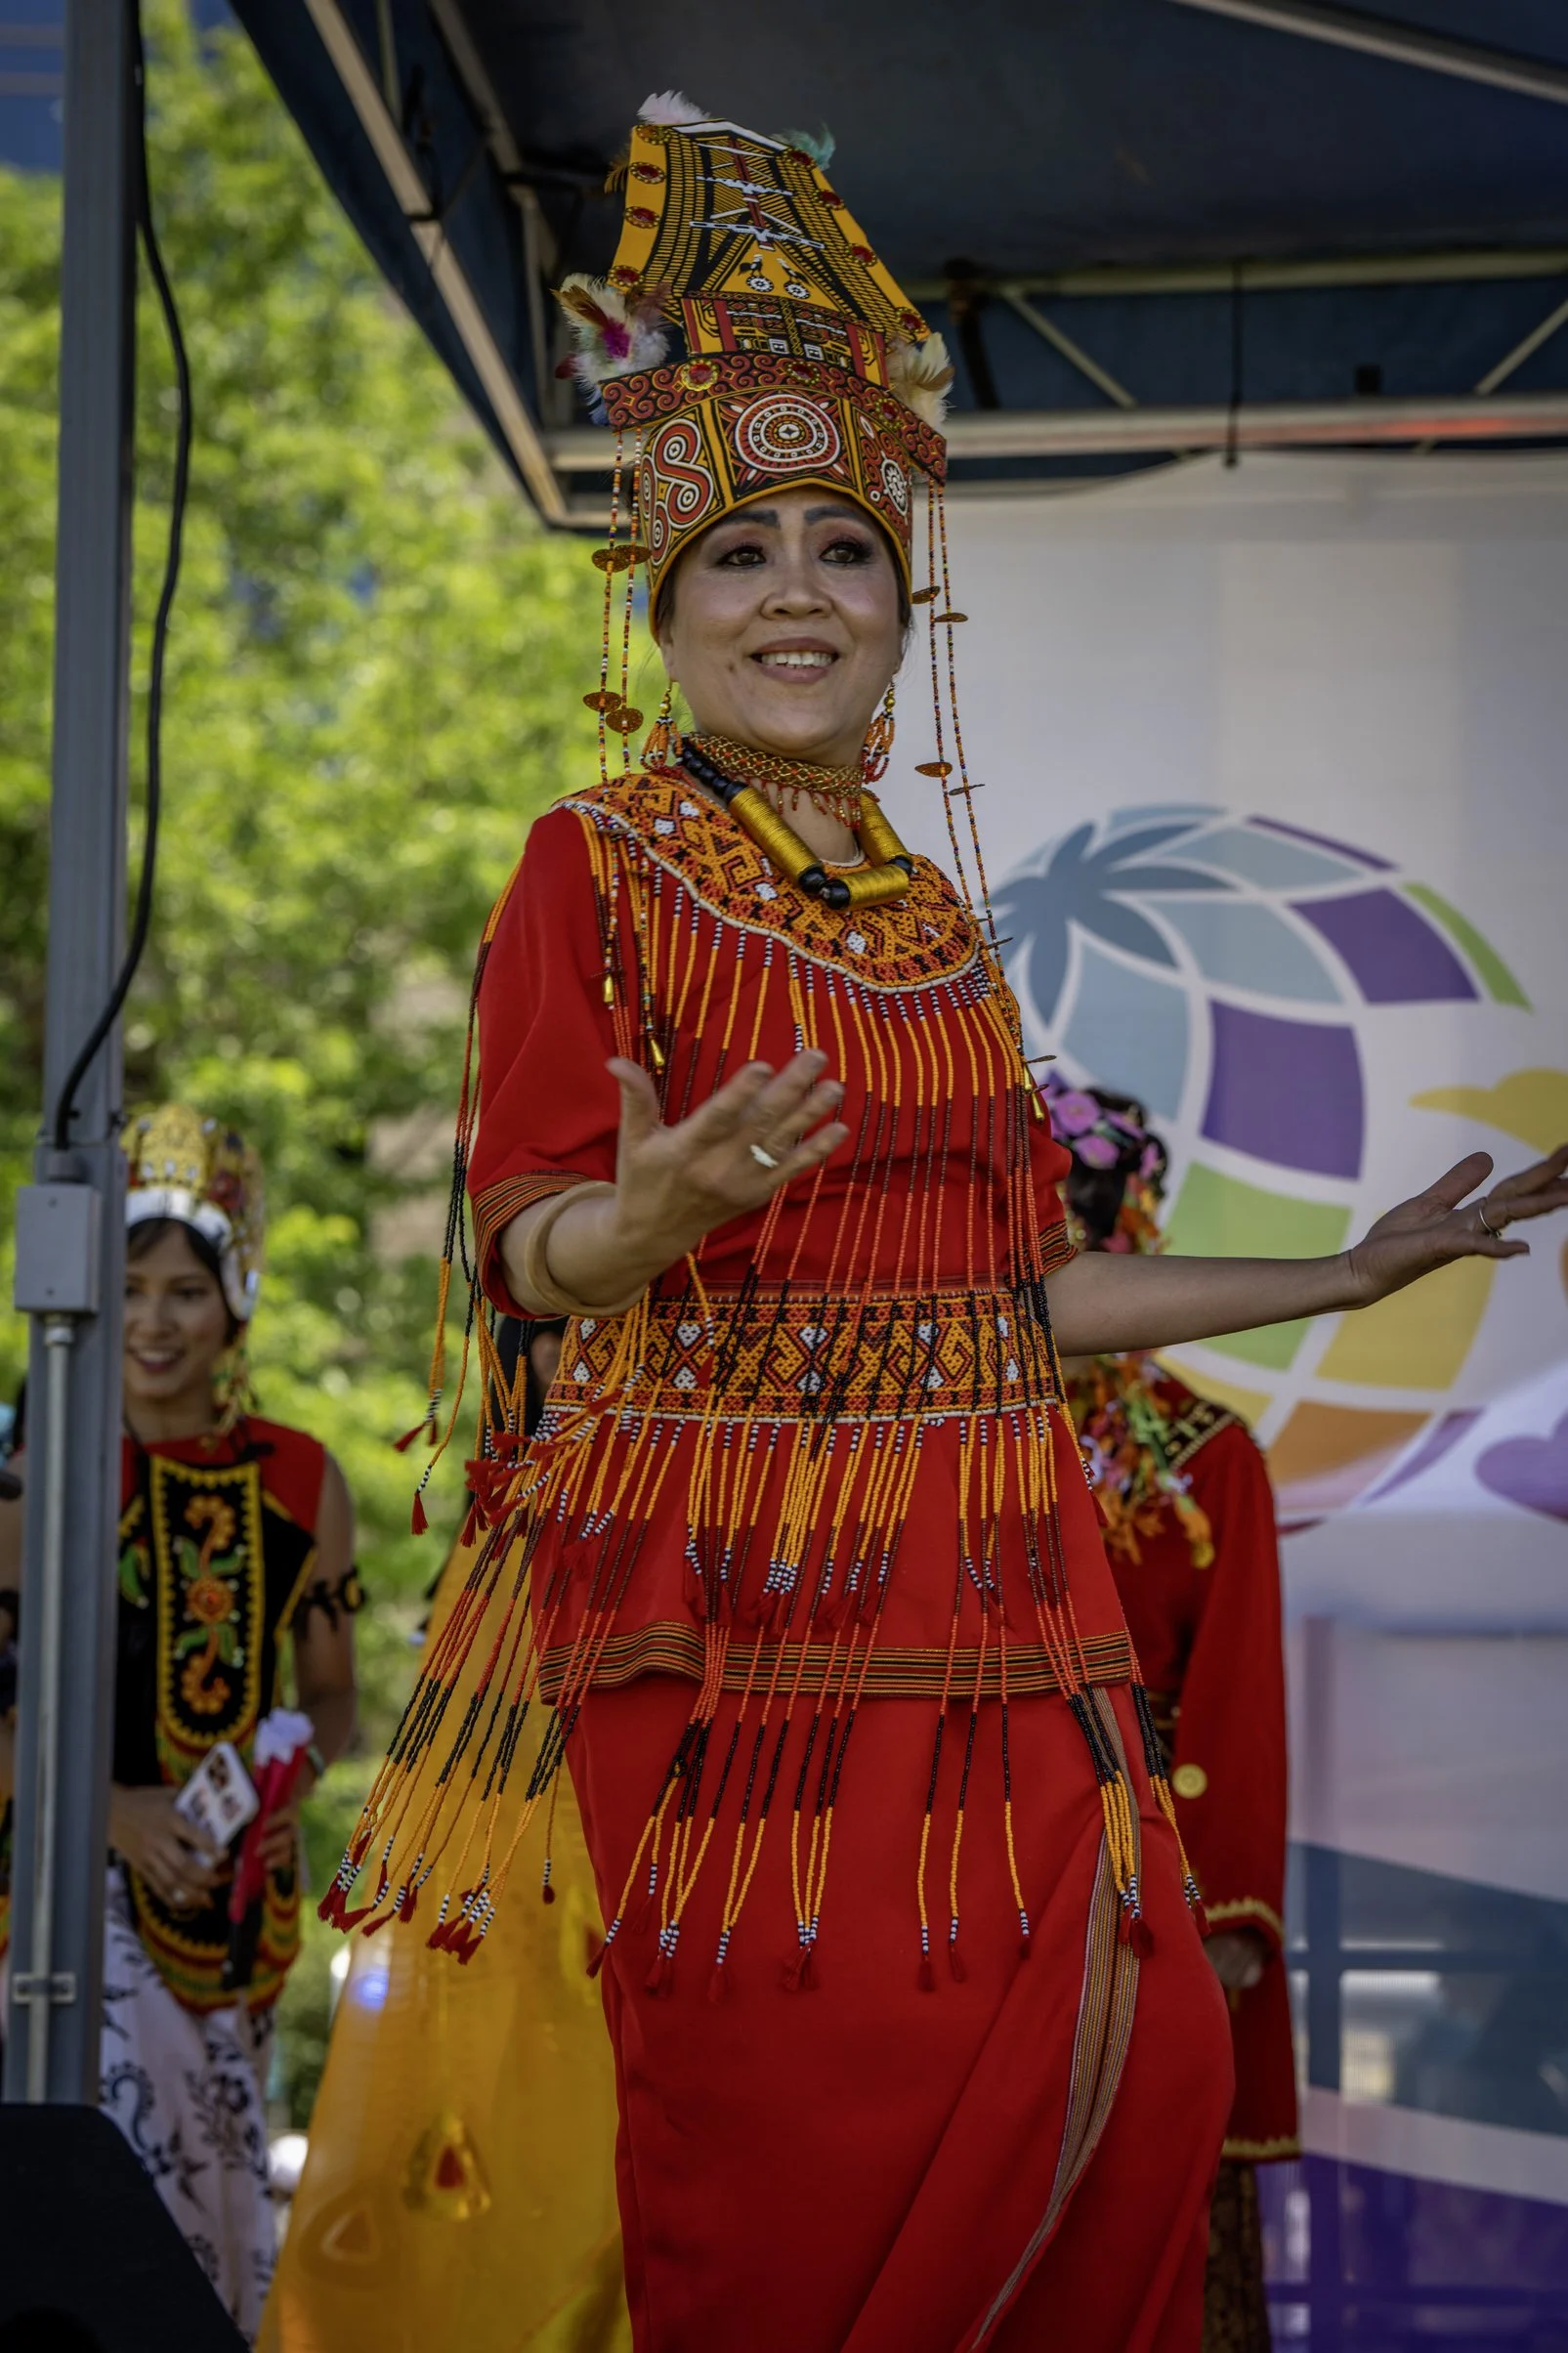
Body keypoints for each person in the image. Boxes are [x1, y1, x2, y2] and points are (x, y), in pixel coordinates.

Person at [323, 98, 1568, 2353]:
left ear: (905, 602)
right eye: (741, 554)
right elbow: (522, 1248)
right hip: (729, 1606)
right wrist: (654, 1211)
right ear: (663, 598)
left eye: (842, 547)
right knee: (807, 2151)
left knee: (1141, 2067)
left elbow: (1025, 1293)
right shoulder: (588, 864)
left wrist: (1344, 1272)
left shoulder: (934, 930)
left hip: (996, 1580)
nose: (796, 591)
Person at [0, 1105, 360, 2342]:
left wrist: (281, 1772)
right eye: (129, 1285)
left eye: (184, 1288)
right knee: (79, 2198)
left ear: (237, 1296)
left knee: (205, 2215)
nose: (153, 1319)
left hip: (228, 1900)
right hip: (49, 1897)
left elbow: (332, 1696)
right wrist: (106, 1808)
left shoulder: (299, 1474)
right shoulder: (29, 1463)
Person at [1053, 1080, 1297, 2352]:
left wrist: (1231, 1910)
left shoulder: (1205, 1452)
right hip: (972, 1854)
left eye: (1086, 1211)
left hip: (1145, 1875)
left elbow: (1240, 1703)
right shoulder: (941, 1437)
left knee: (1154, 2193)